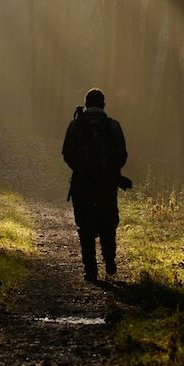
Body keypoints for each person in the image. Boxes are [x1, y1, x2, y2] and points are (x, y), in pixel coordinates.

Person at [62, 87, 128, 281]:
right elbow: (122, 154)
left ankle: (90, 269)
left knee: (85, 225)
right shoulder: (113, 126)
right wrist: (109, 170)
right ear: (103, 104)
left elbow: (67, 153)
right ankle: (109, 261)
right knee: (108, 222)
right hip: (106, 184)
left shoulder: (75, 126)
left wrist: (80, 168)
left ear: (86, 103)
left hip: (82, 183)